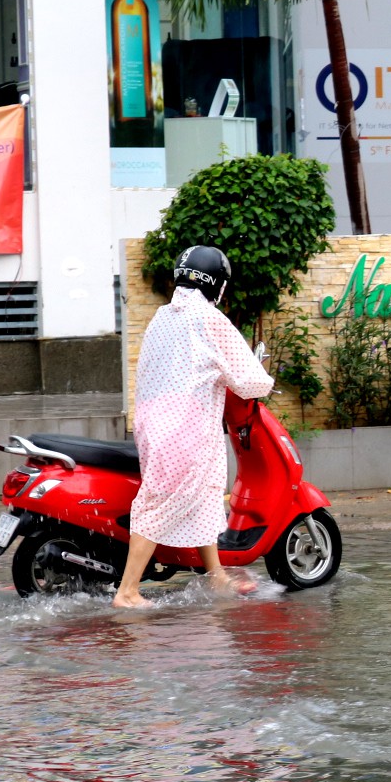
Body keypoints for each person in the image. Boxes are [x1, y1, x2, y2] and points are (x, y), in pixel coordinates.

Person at [113, 246, 274, 609]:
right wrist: (265, 380)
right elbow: (249, 380)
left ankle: (216, 575)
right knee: (159, 503)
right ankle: (127, 592)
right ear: (216, 284)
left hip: (155, 424)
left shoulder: (162, 316)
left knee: (201, 497)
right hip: (186, 428)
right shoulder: (209, 319)